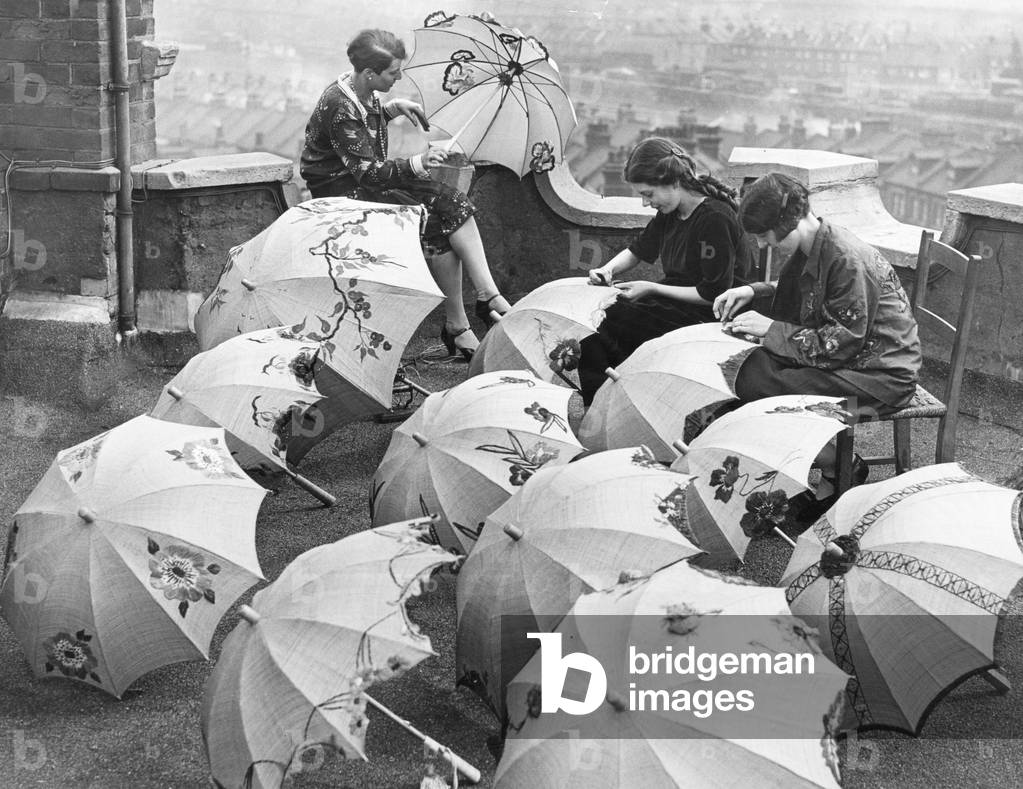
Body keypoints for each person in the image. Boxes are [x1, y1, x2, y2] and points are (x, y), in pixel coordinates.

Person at [714, 172, 922, 511]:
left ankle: (839, 466)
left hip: (881, 378)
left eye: (766, 235)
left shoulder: (846, 259)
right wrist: (752, 291)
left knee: (754, 383)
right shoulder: (816, 245)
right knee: (749, 368)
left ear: (786, 223)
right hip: (854, 364)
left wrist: (771, 330)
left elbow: (841, 342)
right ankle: (833, 464)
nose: (764, 244)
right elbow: (807, 302)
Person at [300, 28, 511, 360]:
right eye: (392, 74)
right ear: (370, 73)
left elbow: (361, 130)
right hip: (345, 193)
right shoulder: (340, 105)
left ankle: (478, 305)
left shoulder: (359, 90)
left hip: (364, 182)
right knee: (440, 215)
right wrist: (419, 162)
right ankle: (467, 317)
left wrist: (390, 109)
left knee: (451, 207)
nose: (398, 78)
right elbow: (366, 172)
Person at [578, 137, 754, 405]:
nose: (646, 203)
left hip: (711, 312)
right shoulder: (671, 212)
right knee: (599, 318)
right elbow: (639, 249)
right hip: (676, 304)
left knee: (613, 324)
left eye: (648, 194)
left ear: (673, 182)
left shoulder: (715, 219)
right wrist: (607, 269)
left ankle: (616, 400)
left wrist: (651, 287)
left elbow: (713, 293)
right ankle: (605, 400)